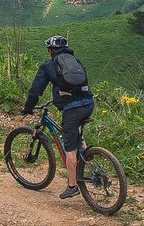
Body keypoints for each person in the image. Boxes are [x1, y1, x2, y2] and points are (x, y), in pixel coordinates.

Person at [21, 35, 95, 199]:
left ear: (50, 51)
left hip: (73, 108)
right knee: (74, 130)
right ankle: (87, 157)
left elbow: (35, 91)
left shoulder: (48, 66)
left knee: (69, 146)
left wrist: (28, 108)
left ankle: (72, 185)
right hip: (89, 103)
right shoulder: (75, 62)